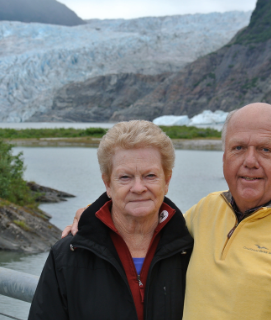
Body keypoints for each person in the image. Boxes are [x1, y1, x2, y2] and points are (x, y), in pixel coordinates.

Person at [65, 103, 271, 319]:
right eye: (238, 148)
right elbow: (148, 223)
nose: (250, 161)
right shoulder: (207, 211)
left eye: (265, 150)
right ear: (224, 156)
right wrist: (93, 218)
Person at [29, 120, 193, 320]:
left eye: (150, 176)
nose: (138, 188)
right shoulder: (68, 255)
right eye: (125, 177)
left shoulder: (192, 251)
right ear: (107, 183)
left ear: (166, 181)